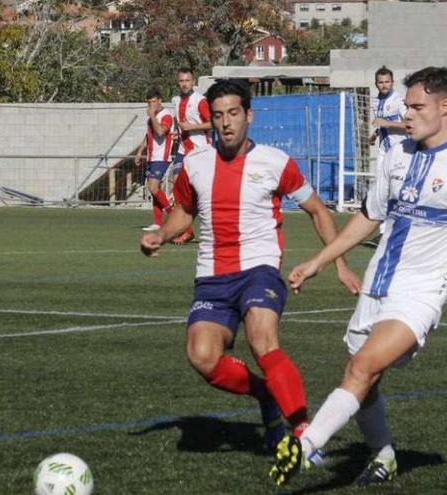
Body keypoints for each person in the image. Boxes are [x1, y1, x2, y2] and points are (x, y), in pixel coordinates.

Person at [270, 66, 447, 487]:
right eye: (406, 106)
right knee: (362, 377)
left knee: (363, 365)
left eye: (416, 106)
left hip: (421, 292)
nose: (406, 114)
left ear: (444, 106)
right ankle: (384, 453)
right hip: (378, 282)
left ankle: (305, 445)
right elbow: (369, 217)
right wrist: (321, 261)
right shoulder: (396, 155)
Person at [140, 80, 362, 453]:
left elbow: (317, 210)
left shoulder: (275, 162)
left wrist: (339, 264)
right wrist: (161, 235)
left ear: (248, 116)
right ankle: (267, 396)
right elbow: (184, 214)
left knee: (262, 338)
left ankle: (304, 436)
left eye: (233, 113)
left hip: (259, 268)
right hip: (212, 275)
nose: (226, 123)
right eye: (218, 116)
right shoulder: (195, 165)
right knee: (202, 356)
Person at [362, 66, 408, 249]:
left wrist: (386, 123)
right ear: (376, 84)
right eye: (381, 82)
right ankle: (383, 233)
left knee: (396, 191)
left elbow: (409, 125)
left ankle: (395, 231)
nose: (384, 85)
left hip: (400, 151)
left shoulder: (398, 101)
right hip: (383, 151)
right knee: (381, 190)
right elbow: (382, 125)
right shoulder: (375, 102)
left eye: (387, 81)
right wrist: (375, 134)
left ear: (392, 82)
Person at [168, 67, 212, 245]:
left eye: (187, 81)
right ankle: (186, 231)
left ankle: (215, 230)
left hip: (200, 152)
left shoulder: (200, 101)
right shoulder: (176, 100)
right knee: (176, 188)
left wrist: (193, 128)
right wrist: (178, 134)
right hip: (183, 151)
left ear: (193, 82)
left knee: (202, 194)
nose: (184, 84)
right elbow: (181, 125)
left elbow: (213, 124)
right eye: (181, 81)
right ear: (178, 82)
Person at [135, 88, 175, 232]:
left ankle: (173, 217)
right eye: (149, 102)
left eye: (153, 102)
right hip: (152, 157)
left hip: (162, 157)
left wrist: (152, 116)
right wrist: (140, 152)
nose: (151, 105)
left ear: (159, 101)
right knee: (153, 190)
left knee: (153, 187)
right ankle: (157, 222)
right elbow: (149, 136)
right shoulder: (151, 117)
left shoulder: (166, 115)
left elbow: (160, 131)